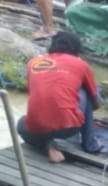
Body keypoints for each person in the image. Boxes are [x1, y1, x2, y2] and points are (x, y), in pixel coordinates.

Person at [17, 31, 102, 164]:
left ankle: (49, 145)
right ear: (76, 48)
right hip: (69, 128)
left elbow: (36, 95)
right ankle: (90, 144)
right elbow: (95, 103)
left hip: (37, 127)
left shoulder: (33, 62)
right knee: (86, 90)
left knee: (21, 125)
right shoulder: (81, 64)